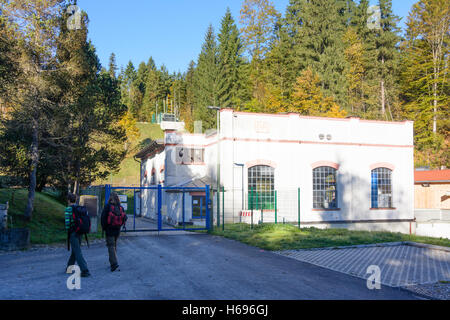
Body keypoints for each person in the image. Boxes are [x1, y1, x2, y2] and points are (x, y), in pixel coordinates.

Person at [65, 193, 91, 277]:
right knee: (75, 250)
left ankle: (85, 270)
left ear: (68, 200)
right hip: (80, 232)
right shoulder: (79, 208)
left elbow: (67, 224)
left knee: (77, 251)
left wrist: (68, 230)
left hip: (73, 233)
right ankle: (69, 268)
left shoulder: (68, 209)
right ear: (75, 200)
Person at [101, 192, 127, 272]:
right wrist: (120, 224)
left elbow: (103, 218)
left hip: (109, 229)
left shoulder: (107, 207)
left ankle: (114, 264)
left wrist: (104, 228)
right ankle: (113, 261)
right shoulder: (120, 207)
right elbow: (125, 218)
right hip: (117, 230)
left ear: (110, 198)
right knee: (114, 245)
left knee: (110, 246)